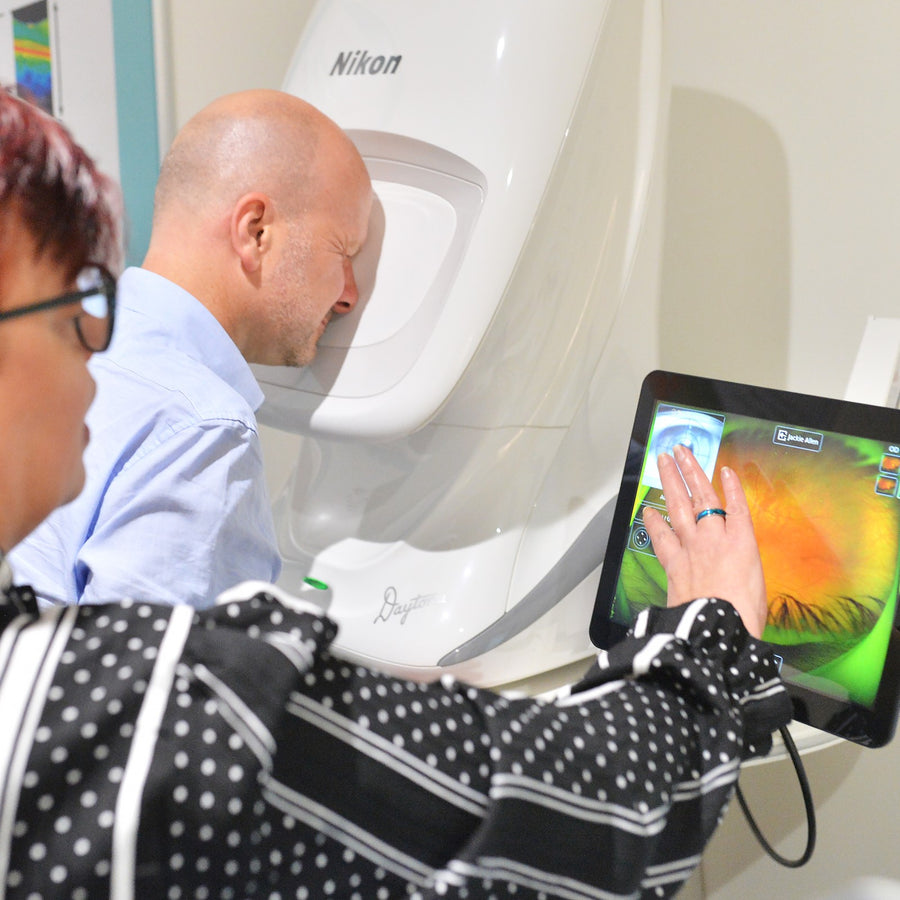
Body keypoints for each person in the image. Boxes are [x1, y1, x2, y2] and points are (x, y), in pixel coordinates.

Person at [0, 89, 791, 898]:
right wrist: (710, 636)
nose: (93, 348)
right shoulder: (199, 437)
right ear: (255, 229)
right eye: (67, 309)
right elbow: (579, 816)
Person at [8, 88, 372, 609]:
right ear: (256, 231)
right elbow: (152, 684)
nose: (350, 294)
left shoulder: (73, 352)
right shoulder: (201, 429)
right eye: (344, 251)